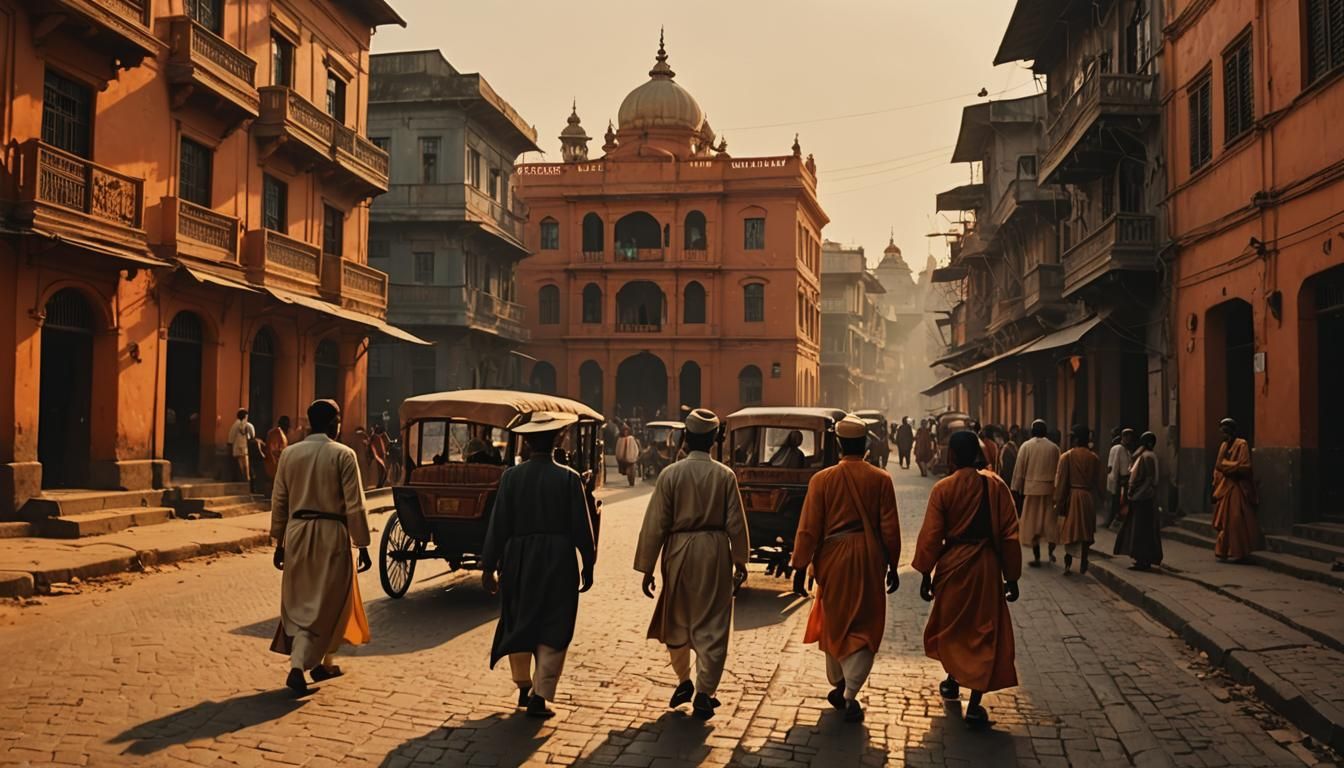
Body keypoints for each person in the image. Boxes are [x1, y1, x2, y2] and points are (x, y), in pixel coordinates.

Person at [635, 409, 749, 721]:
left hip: (678, 551)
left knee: (677, 617)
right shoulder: (724, 476)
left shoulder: (670, 474)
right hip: (714, 552)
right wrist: (740, 560)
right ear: (713, 441)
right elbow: (736, 524)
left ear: (686, 438)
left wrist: (647, 567)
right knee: (713, 623)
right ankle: (704, 692)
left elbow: (655, 523)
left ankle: (684, 680)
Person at [481, 411, 596, 719]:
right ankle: (541, 694)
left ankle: (523, 684)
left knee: (519, 617)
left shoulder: (511, 478)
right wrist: (589, 563)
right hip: (559, 558)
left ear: (528, 442)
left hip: (518, 557)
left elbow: (498, 525)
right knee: (555, 623)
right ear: (558, 439)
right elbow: (583, 529)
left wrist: (488, 565)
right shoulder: (569, 478)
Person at [789, 414, 901, 723]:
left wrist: (801, 565)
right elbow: (890, 529)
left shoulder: (822, 480)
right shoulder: (881, 479)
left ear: (838, 444)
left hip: (833, 557)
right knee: (865, 623)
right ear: (865, 445)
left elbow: (809, 528)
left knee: (836, 618)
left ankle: (841, 684)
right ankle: (850, 691)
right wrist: (893, 564)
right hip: (869, 557)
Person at [914, 431, 1021, 727]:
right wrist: (1011, 577)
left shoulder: (943, 489)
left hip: (952, 565)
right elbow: (1010, 535)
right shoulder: (995, 486)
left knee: (953, 627)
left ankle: (951, 680)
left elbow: (932, 536)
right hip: (986, 566)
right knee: (982, 631)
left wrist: (925, 572)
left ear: (951, 455)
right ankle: (974, 703)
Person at [269, 399, 372, 695]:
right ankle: (298, 666)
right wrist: (362, 544)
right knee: (328, 601)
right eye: (338, 419)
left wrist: (279, 542)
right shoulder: (343, 454)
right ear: (332, 424)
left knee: (303, 600)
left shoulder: (289, 454)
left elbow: (279, 502)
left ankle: (323, 663)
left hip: (297, 533)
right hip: (332, 534)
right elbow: (355, 504)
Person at [1053, 425, 1103, 575]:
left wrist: (1058, 501)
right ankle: (1084, 560)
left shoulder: (1067, 456)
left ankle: (1068, 563)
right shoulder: (1094, 457)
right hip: (1087, 497)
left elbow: (1061, 482)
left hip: (1073, 496)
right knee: (1086, 532)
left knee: (1069, 531)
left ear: (1075, 439)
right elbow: (1098, 481)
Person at [1212, 418, 1262, 563]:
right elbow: (1218, 465)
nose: (1223, 436)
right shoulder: (1223, 446)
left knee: (1236, 519)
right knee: (1224, 521)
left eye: (1225, 433)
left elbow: (1245, 466)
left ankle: (1239, 551)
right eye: (1222, 433)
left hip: (1238, 487)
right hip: (1225, 486)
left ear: (1232, 432)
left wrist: (1227, 466)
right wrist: (1229, 467)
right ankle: (1223, 551)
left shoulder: (1242, 444)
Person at [1011, 420, 1060, 567]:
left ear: (1032, 432)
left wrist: (1015, 488)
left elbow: (1019, 470)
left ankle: (1037, 556)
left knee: (1032, 524)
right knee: (1049, 523)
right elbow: (1059, 471)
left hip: (1031, 490)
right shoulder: (1054, 448)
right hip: (1049, 490)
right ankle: (1051, 552)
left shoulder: (1026, 446)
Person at [1115, 431, 1163, 570]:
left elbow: (1148, 480)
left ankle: (1144, 559)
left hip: (1143, 499)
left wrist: (1136, 495)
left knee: (1142, 530)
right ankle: (1141, 558)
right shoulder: (1147, 456)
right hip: (1143, 497)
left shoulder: (1147, 457)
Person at [1104, 429, 1136, 530]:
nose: (1129, 439)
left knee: (1121, 502)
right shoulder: (1118, 449)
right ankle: (1112, 522)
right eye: (1127, 436)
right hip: (1119, 479)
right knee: (1116, 502)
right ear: (1124, 437)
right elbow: (1114, 465)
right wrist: (1115, 480)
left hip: (1125, 479)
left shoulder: (1127, 450)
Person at [227, 409, 257, 484]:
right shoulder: (248, 425)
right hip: (244, 448)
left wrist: (230, 444)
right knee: (246, 466)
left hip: (237, 447)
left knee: (241, 465)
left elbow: (231, 437)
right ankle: (246, 480)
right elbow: (252, 435)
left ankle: (243, 480)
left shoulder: (235, 425)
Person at [264, 416, 291, 481]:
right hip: (274, 465)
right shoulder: (276, 433)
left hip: (275, 464)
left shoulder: (277, 432)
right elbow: (274, 450)